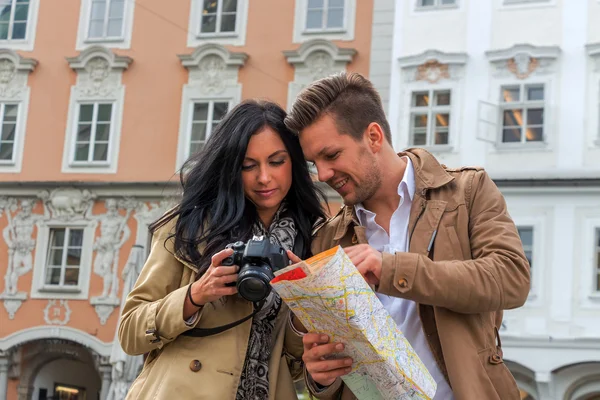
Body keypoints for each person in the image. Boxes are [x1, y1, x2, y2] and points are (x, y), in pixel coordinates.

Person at [284, 72, 531, 400]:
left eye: (331, 155)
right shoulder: (327, 238)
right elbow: (329, 366)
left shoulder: (467, 192)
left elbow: (511, 278)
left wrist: (392, 270)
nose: (324, 174)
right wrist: (321, 378)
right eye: (315, 163)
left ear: (373, 137)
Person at [118, 100, 327, 399]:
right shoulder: (190, 227)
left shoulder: (313, 238)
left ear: (294, 161)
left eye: (277, 161)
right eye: (248, 166)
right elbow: (130, 332)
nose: (264, 177)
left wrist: (302, 308)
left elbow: (294, 365)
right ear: (231, 168)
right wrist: (194, 296)